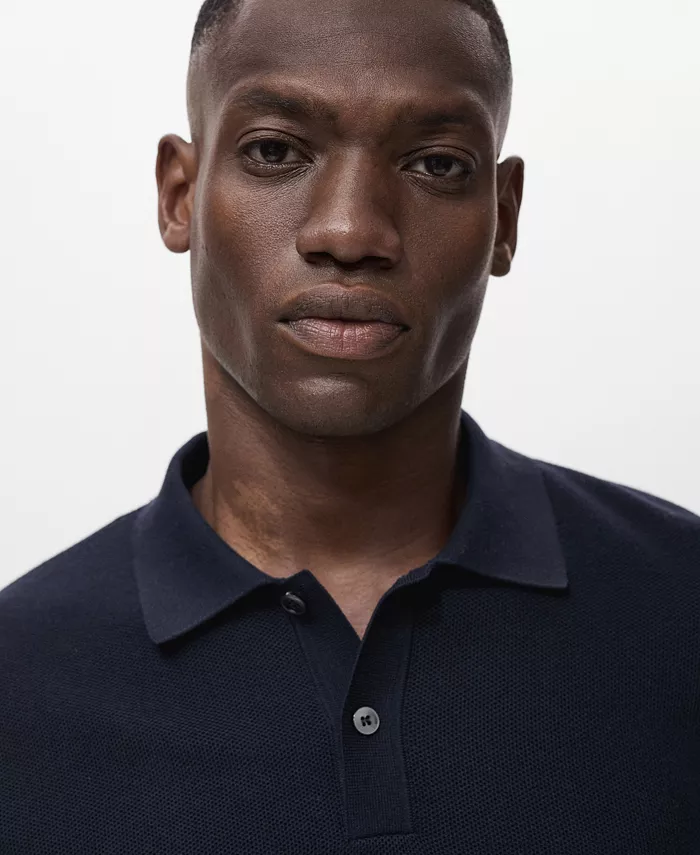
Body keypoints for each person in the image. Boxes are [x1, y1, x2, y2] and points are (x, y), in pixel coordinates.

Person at [2, 0, 698, 850]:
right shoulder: (19, 684)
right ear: (179, 196)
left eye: (435, 164)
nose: (351, 230)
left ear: (504, 218)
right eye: (275, 151)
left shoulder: (681, 605)